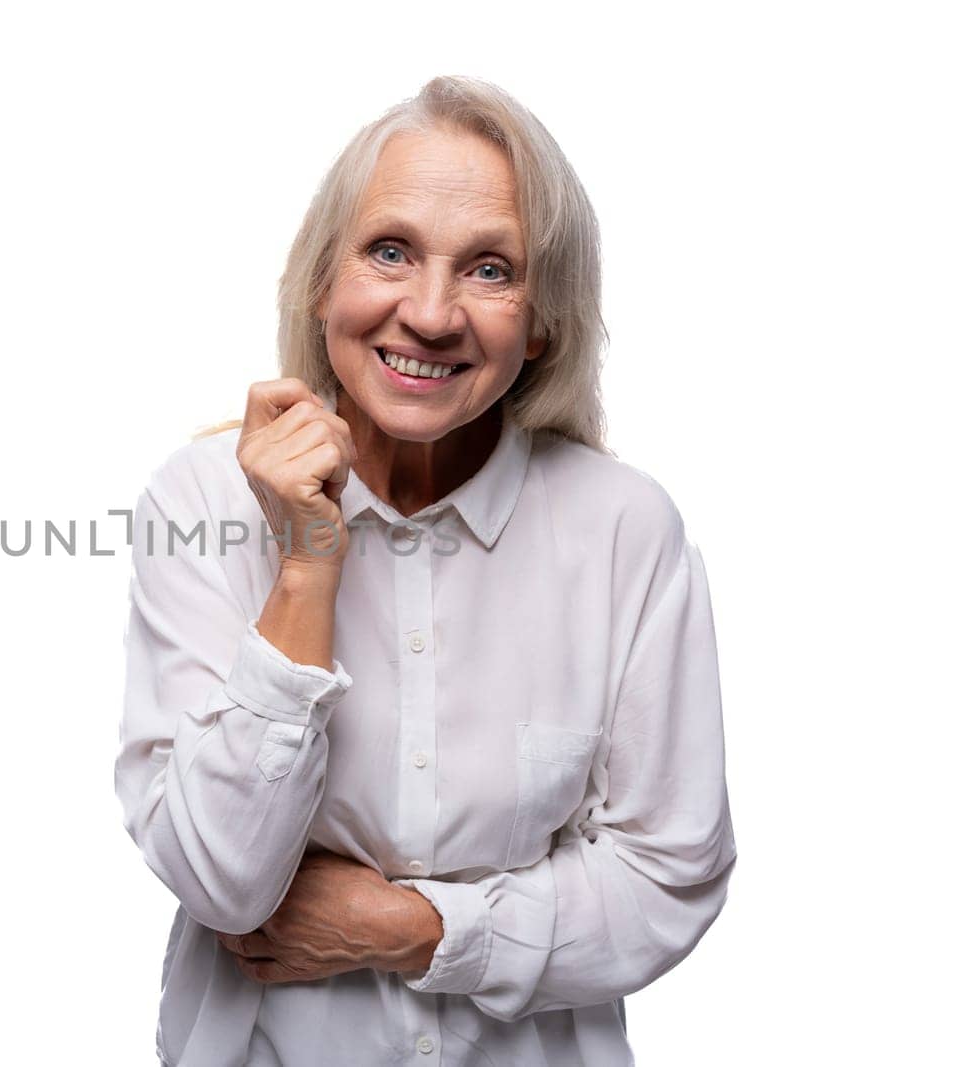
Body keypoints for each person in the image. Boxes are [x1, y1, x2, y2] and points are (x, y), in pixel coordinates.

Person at [113, 74, 736, 1067]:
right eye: (390, 251)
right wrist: (308, 567)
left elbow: (670, 877)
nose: (433, 312)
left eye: (490, 269)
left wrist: (412, 928)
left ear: (540, 323)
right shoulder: (200, 502)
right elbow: (221, 880)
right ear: (323, 280)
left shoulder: (624, 528)